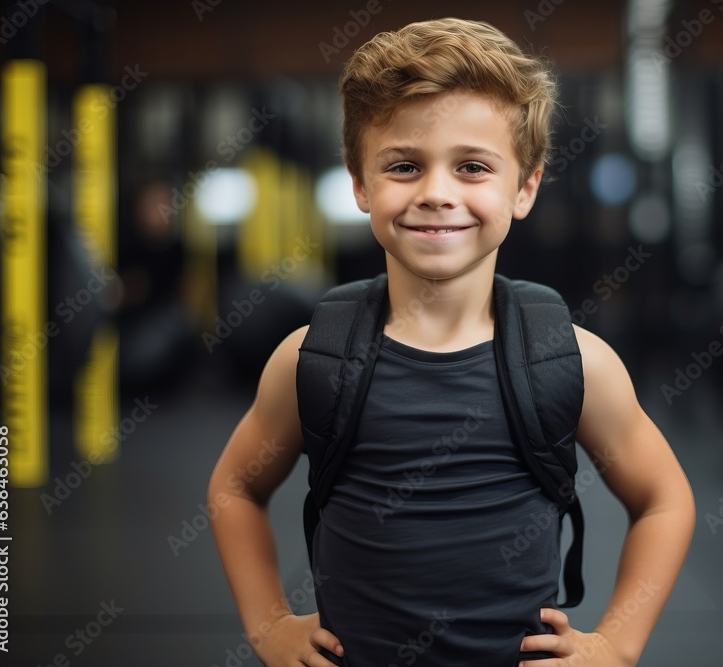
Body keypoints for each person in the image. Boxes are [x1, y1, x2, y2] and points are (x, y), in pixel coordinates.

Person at [208, 17, 695, 667]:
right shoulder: (309, 359)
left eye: (471, 167)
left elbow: (665, 498)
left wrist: (617, 643)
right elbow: (234, 488)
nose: (437, 193)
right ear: (360, 183)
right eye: (405, 166)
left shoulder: (575, 360)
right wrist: (269, 625)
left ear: (523, 187)